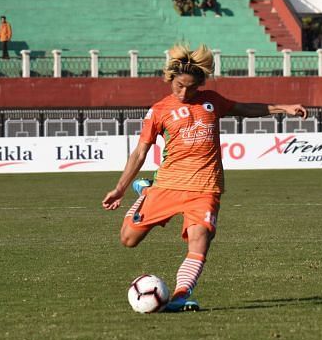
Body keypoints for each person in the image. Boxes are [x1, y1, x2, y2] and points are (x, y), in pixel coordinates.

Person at [101, 43, 307, 312]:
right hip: (168, 185)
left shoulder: (212, 101)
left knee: (200, 240)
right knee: (128, 239)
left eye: (191, 87)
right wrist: (119, 188)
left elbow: (245, 108)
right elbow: (141, 150)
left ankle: (180, 296)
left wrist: (283, 108)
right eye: (179, 85)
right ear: (170, 79)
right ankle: (145, 193)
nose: (184, 92)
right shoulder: (159, 111)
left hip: (205, 187)